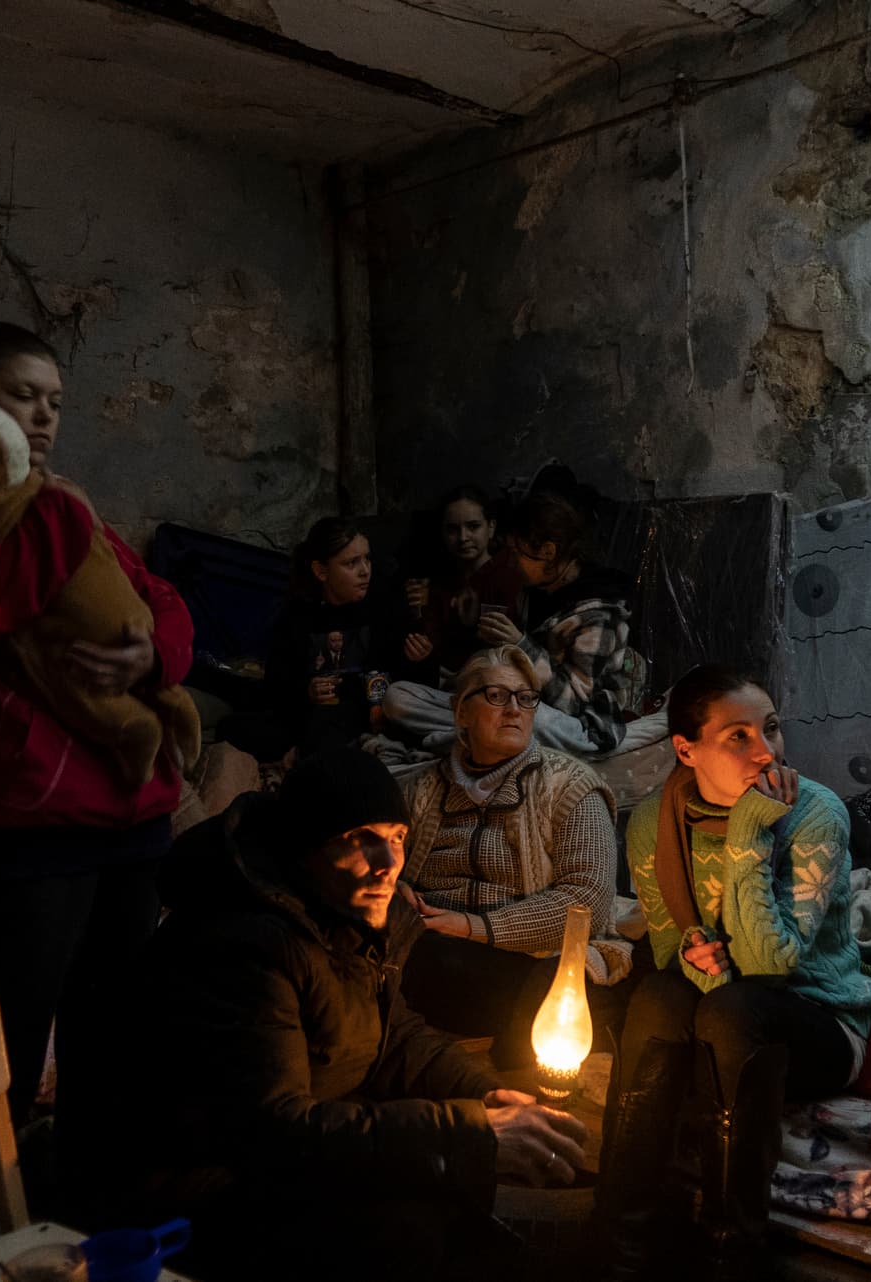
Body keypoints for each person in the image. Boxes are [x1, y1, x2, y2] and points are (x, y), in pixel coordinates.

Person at [0, 321, 194, 1220]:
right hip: (33, 821)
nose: (46, 417)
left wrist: (150, 660)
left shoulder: (63, 503)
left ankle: (90, 1220)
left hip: (136, 813)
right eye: (24, 396)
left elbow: (165, 604)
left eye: (56, 402)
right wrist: (50, 515)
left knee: (112, 1035)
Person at [114, 749, 588, 1281]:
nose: (387, 863)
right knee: (414, 1225)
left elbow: (394, 1036)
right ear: (305, 849)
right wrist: (469, 1132)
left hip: (284, 1153)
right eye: (360, 838)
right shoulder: (245, 944)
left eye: (397, 838)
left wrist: (483, 1093)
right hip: (192, 1190)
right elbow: (275, 1131)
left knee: (456, 1201)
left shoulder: (345, 916)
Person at [596, 664, 871, 1280]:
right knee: (657, 998)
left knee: (732, 1009)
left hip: (818, 1020)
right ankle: (619, 1249)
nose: (765, 751)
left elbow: (771, 964)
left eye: (770, 729)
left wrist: (750, 826)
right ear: (686, 749)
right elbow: (671, 949)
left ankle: (732, 1254)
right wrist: (699, 952)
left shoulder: (814, 812)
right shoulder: (652, 823)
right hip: (717, 1012)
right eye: (738, 736)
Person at [396, 646, 631, 1069]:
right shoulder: (423, 790)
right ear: (460, 712)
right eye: (496, 696)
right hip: (436, 951)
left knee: (546, 990)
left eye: (525, 699)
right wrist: (399, 895)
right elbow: (385, 870)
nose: (514, 710)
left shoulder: (570, 787)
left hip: (535, 959)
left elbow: (588, 905)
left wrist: (474, 926)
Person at [385, 490, 644, 757]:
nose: (513, 562)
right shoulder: (535, 590)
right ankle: (477, 739)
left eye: (518, 553)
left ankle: (467, 741)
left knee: (537, 720)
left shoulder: (599, 612)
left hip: (573, 722)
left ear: (548, 552)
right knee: (398, 698)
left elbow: (574, 702)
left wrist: (521, 644)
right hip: (511, 704)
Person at [255, 516, 404, 758]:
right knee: (238, 728)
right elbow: (276, 684)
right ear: (321, 571)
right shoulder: (298, 614)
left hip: (365, 713)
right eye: (351, 563)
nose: (365, 571)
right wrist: (307, 690)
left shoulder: (380, 605)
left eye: (367, 559)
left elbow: (394, 672)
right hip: (311, 715)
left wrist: (421, 657)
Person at [399, 485, 526, 686]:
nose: (463, 537)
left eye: (473, 526)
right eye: (452, 529)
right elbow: (430, 648)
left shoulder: (509, 574)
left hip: (496, 682)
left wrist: (473, 623)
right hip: (447, 682)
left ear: (491, 527)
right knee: (397, 695)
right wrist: (416, 612)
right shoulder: (437, 581)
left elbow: (511, 651)